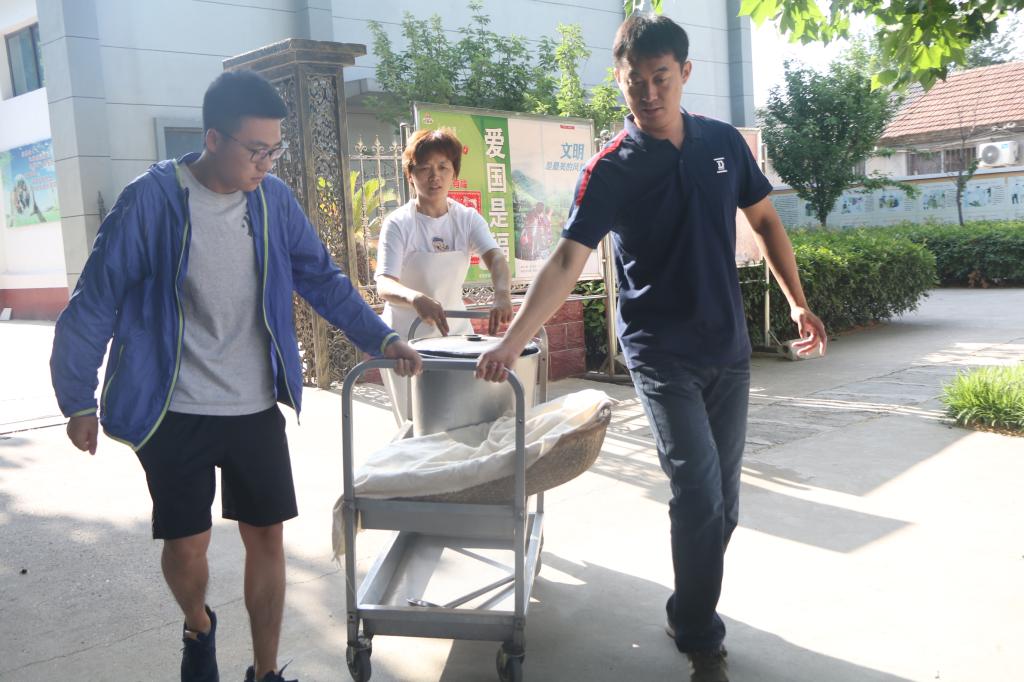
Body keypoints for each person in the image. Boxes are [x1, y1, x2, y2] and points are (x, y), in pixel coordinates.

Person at [476, 14, 826, 682]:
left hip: (728, 346)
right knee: (697, 491)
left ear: (684, 73)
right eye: (634, 80)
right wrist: (514, 339)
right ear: (620, 80)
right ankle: (699, 634)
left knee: (722, 506)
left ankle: (687, 607)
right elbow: (566, 260)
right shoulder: (611, 169)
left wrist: (796, 300)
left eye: (660, 77)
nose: (648, 92)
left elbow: (765, 219)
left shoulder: (722, 144)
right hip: (660, 351)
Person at [49, 70, 421, 682]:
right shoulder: (152, 201)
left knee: (267, 538)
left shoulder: (273, 201)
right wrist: (77, 400)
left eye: (274, 150)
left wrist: (379, 337)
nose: (266, 164)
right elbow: (96, 298)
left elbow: (322, 278)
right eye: (256, 150)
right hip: (175, 406)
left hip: (253, 404)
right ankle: (199, 625)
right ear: (213, 138)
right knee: (185, 545)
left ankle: (266, 672)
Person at [374, 127, 513, 419]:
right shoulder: (398, 223)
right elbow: (384, 283)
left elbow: (496, 258)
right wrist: (415, 299)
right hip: (406, 339)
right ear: (410, 175)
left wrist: (502, 294)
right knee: (416, 421)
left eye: (442, 167)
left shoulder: (467, 218)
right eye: (424, 168)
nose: (434, 176)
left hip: (455, 334)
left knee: (463, 417)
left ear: (454, 173)